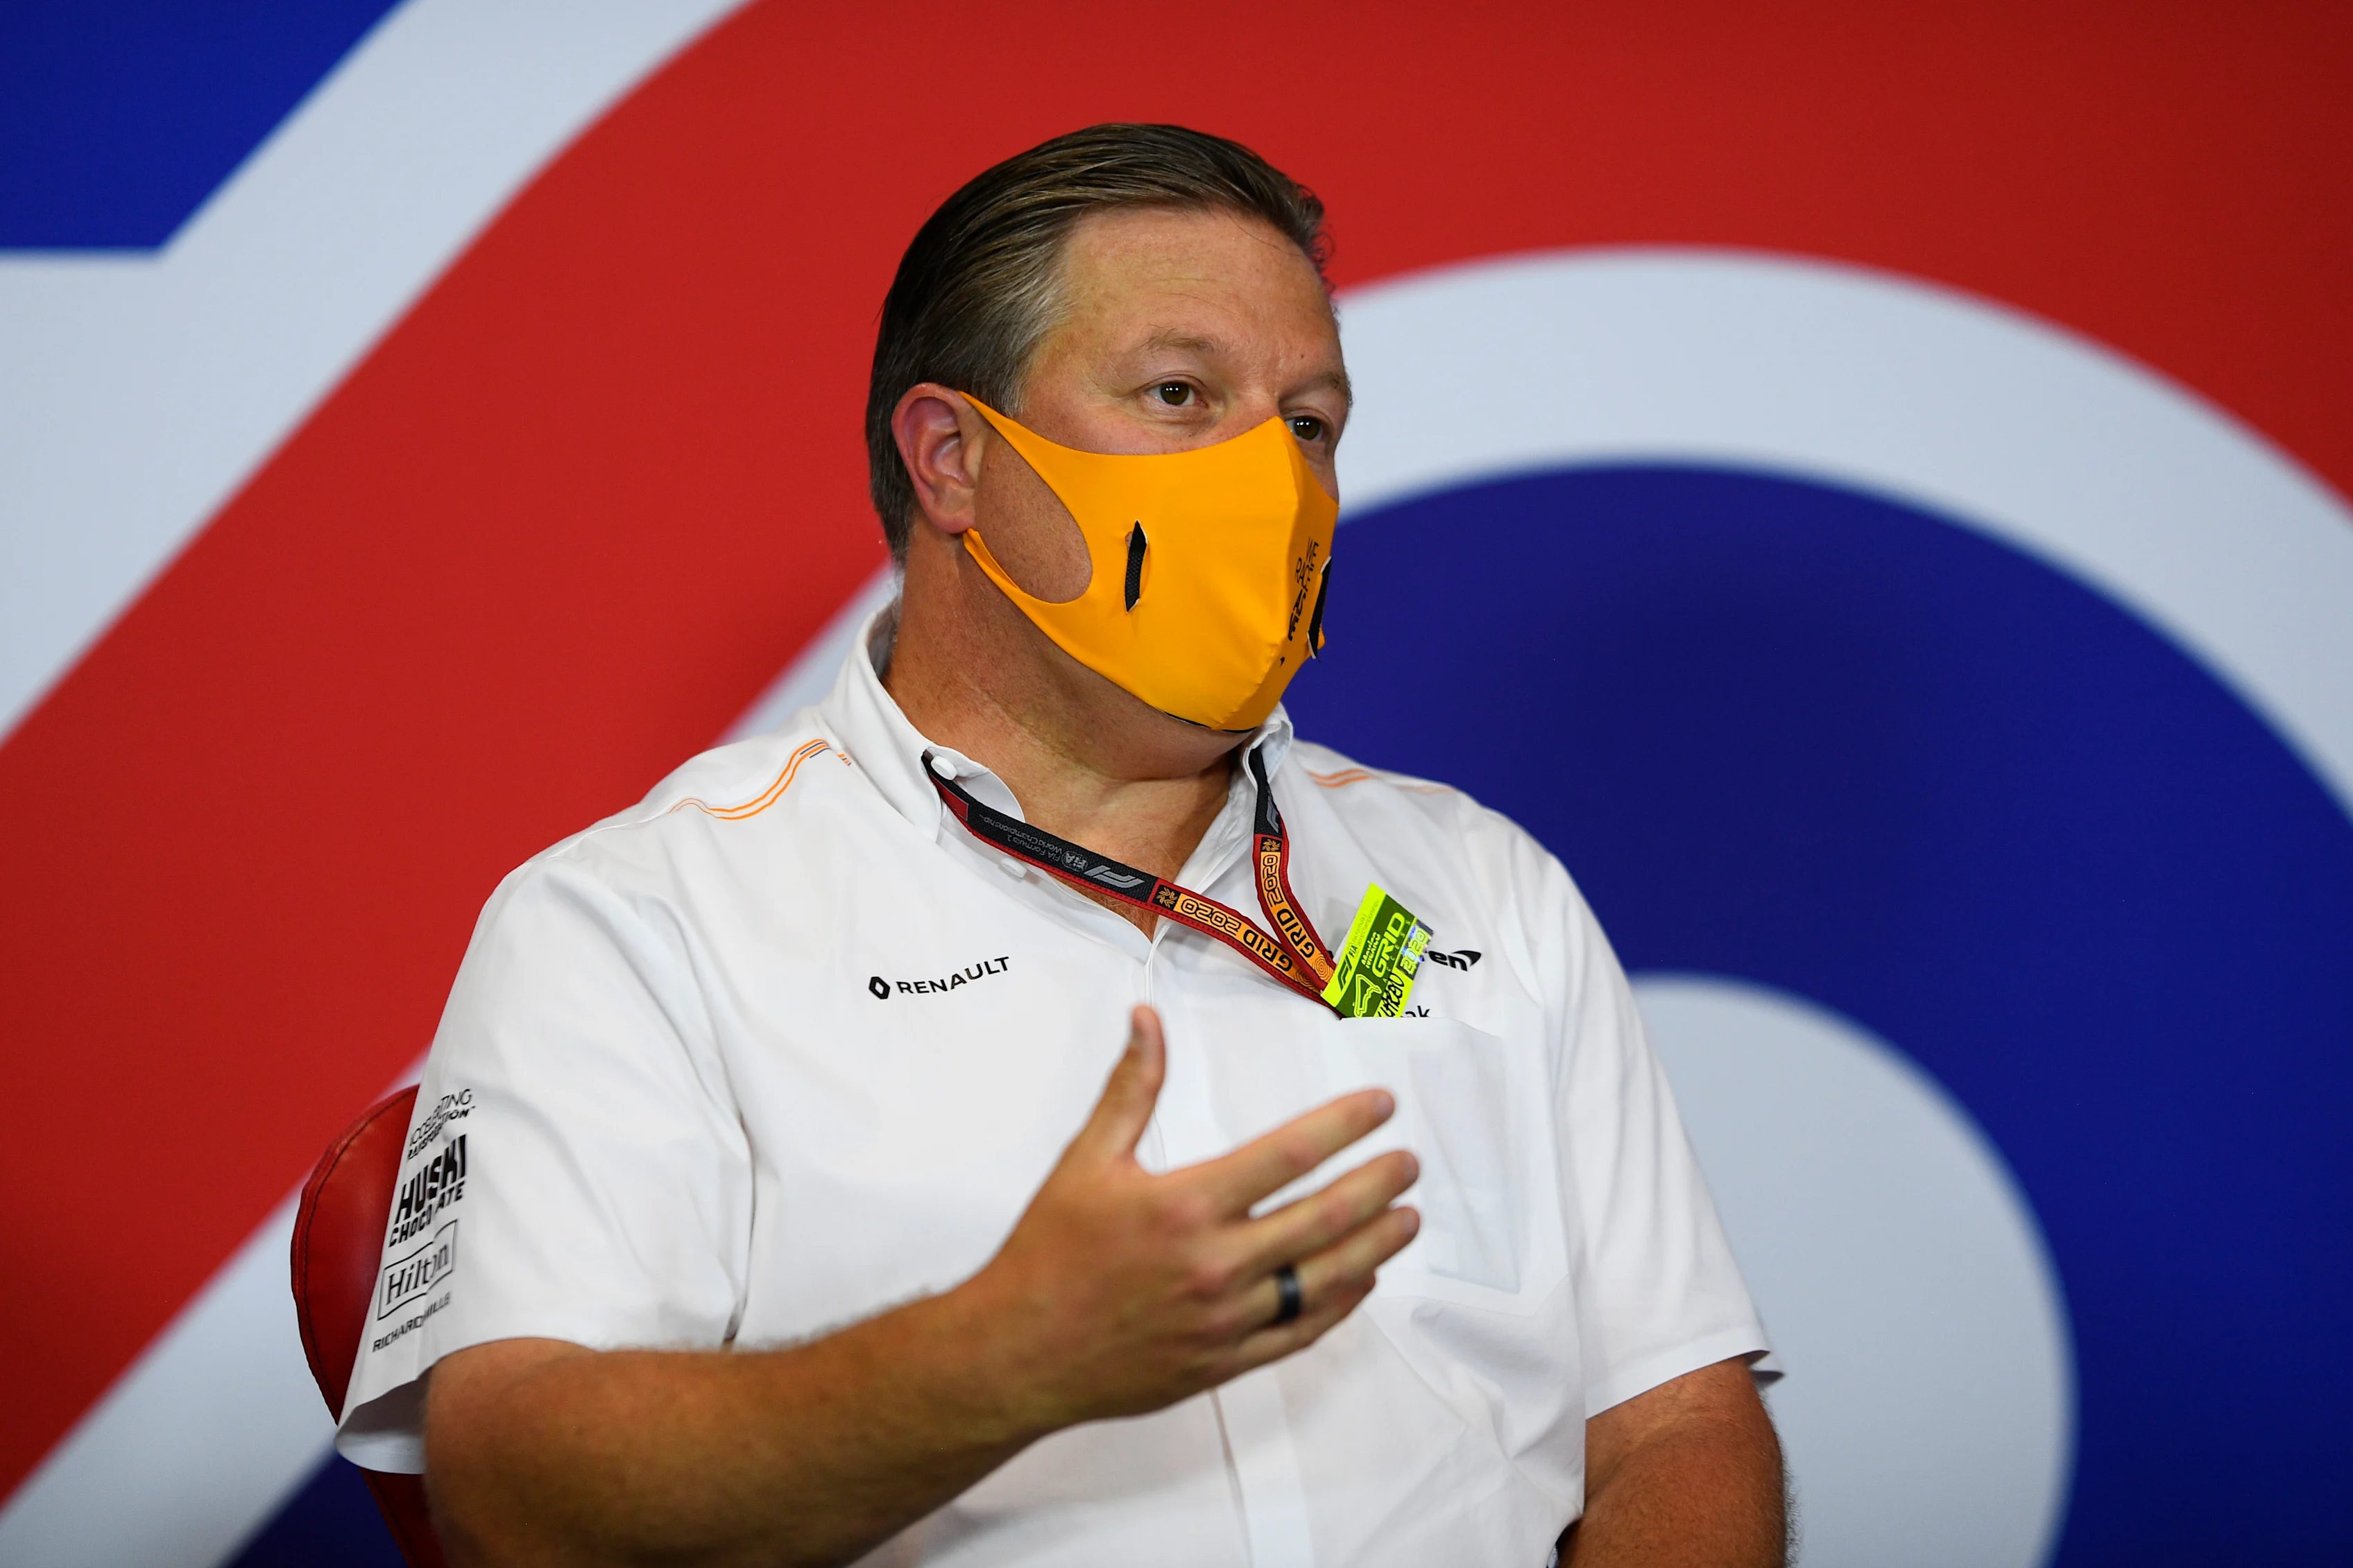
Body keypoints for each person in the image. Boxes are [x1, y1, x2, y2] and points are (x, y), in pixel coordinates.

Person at [336, 123, 1784, 1567]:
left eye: (1308, 421)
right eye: (1179, 394)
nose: (1274, 482)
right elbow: (510, 1493)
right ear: (954, 460)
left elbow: (1672, 1419)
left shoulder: (1479, 884)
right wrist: (996, 1361)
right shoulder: (641, 919)